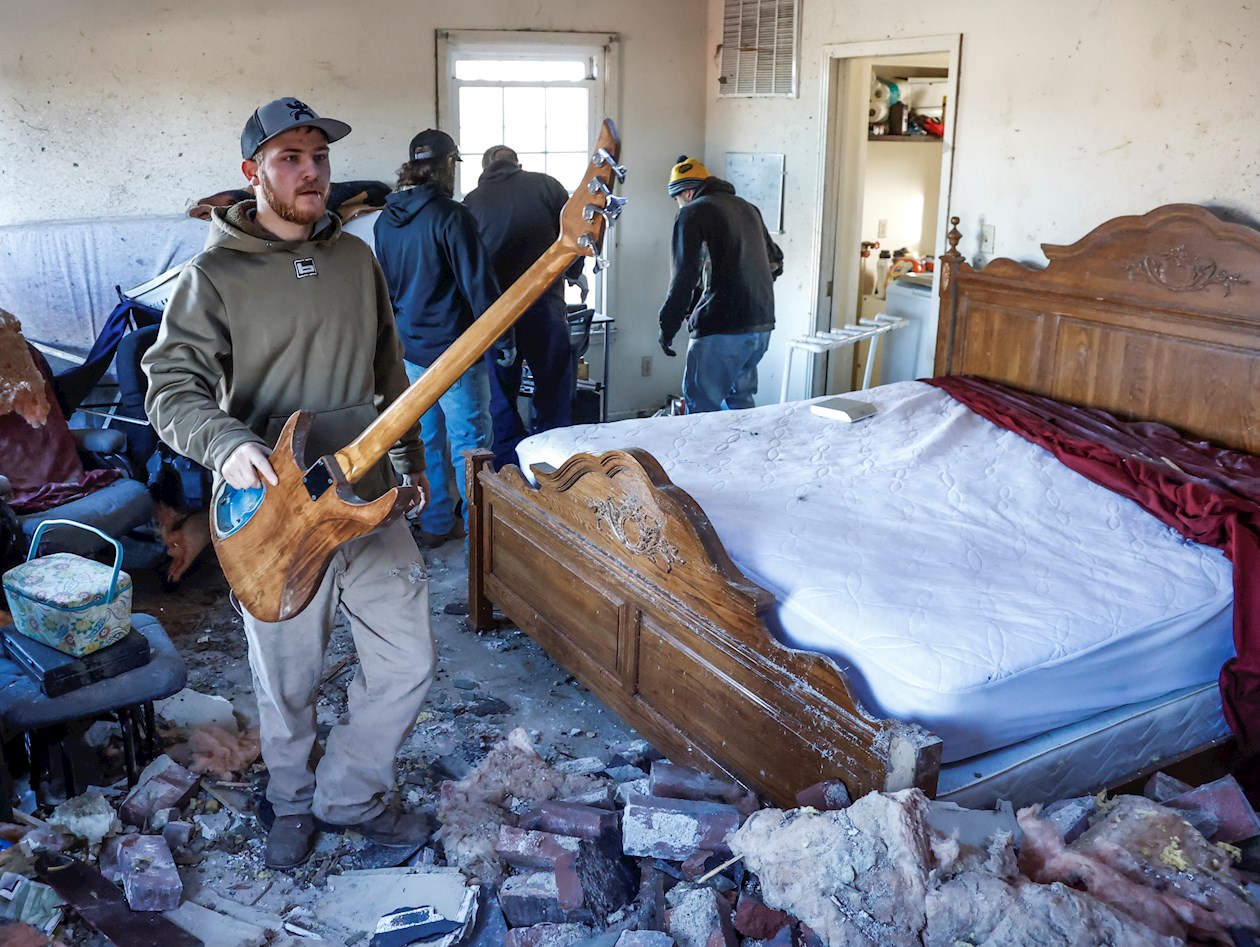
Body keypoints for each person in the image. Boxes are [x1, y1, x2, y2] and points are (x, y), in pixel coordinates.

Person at [142, 97, 436, 870]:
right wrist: (227, 441)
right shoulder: (213, 275)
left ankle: (348, 795)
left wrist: (411, 464)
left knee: (407, 660)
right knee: (288, 677)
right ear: (253, 173)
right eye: (290, 158)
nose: (312, 172)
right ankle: (293, 800)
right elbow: (169, 388)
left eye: (320, 157)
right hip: (269, 513)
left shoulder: (354, 260)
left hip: (364, 496)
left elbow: (389, 374)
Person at [374, 129, 506, 547]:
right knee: (470, 447)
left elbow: (388, 291)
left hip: (410, 351)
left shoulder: (384, 221)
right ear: (448, 165)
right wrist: (502, 341)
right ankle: (477, 541)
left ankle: (434, 524)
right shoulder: (451, 216)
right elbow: (479, 286)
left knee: (426, 441)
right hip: (455, 352)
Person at [464, 145, 585, 464]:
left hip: (497, 315)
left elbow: (468, 264)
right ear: (517, 163)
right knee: (553, 390)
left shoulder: (472, 202)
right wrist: (575, 273)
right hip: (545, 305)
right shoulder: (547, 185)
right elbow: (573, 234)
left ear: (485, 167)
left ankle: (509, 474)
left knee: (502, 398)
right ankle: (556, 467)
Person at [657, 155, 784, 413]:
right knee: (740, 407)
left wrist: (667, 327)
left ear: (688, 192)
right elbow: (776, 262)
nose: (678, 206)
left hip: (721, 329)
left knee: (701, 411)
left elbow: (684, 278)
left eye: (678, 199)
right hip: (760, 327)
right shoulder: (748, 208)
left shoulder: (692, 213)